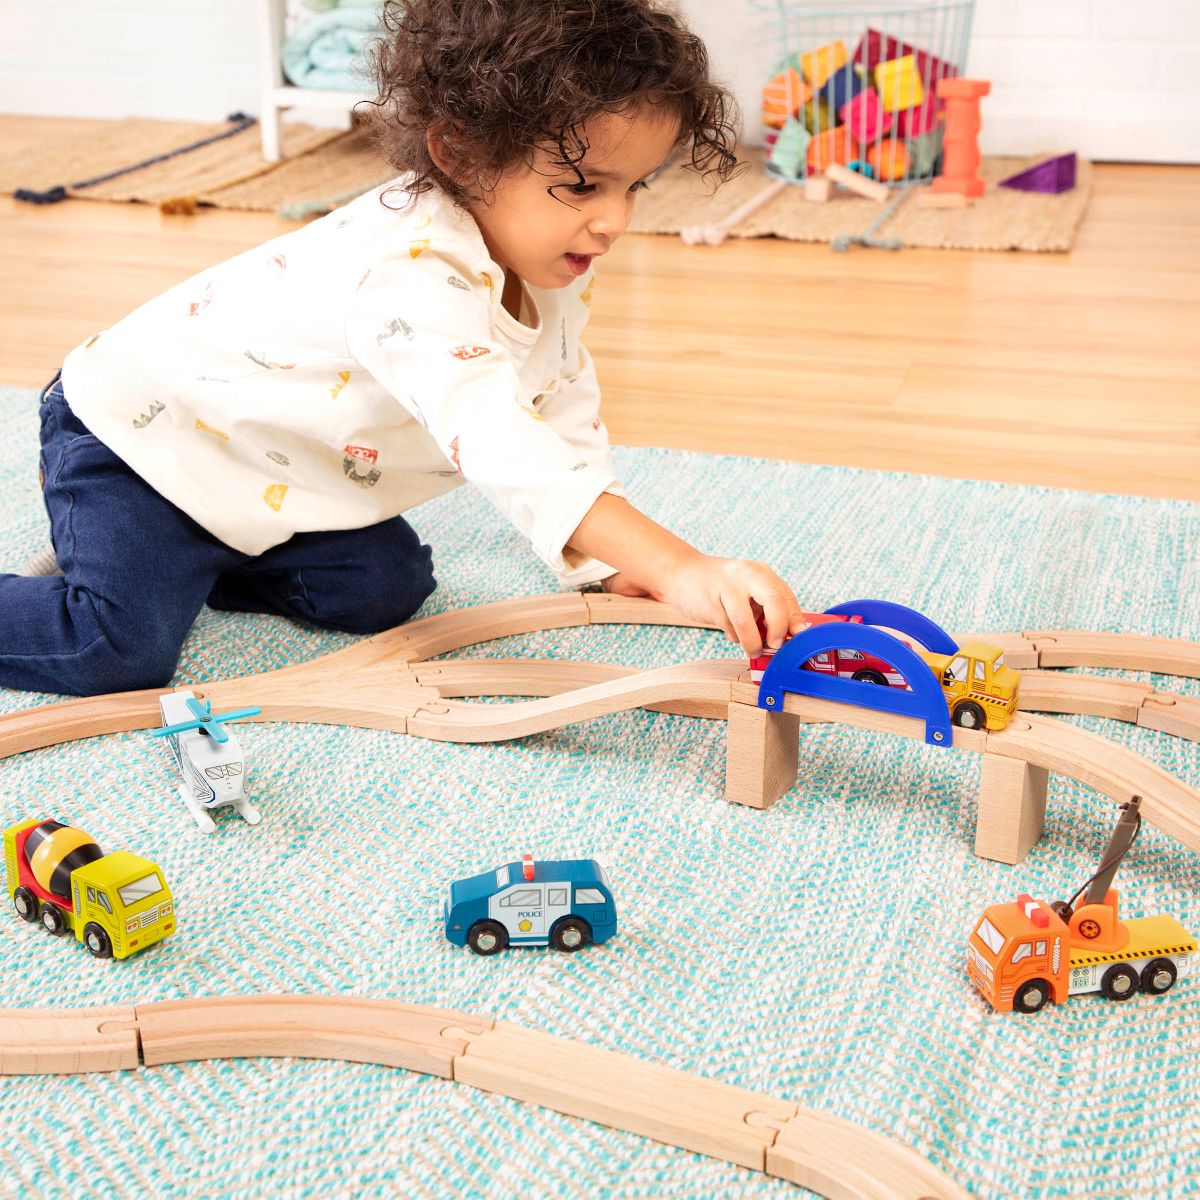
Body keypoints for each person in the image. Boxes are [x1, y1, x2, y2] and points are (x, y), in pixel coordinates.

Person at [0, 0, 806, 698]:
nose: (616, 221)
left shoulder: (547, 255)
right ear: (459, 151)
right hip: (142, 442)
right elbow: (500, 438)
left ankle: (211, 553)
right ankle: (155, 553)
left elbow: (558, 403)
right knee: (114, 647)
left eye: (637, 186)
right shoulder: (410, 269)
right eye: (585, 185)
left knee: (385, 588)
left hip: (275, 468)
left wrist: (601, 562)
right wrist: (680, 566)